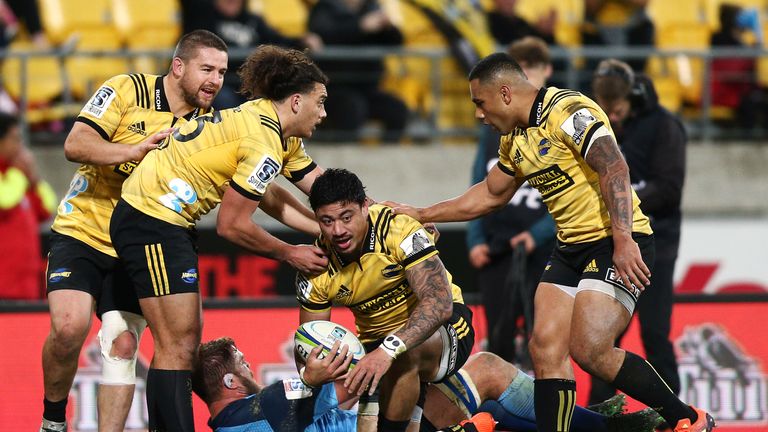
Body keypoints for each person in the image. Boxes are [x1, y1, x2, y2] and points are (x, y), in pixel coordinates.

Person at [385, 53, 716, 432]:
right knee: (544, 348)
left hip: (615, 239)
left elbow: (614, 166)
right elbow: (490, 195)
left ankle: (688, 419)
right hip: (570, 248)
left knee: (591, 348)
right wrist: (423, 213)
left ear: (505, 93)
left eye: (480, 102)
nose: (478, 114)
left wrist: (624, 238)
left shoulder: (568, 110)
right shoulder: (514, 140)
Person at [109, 44, 331, 431]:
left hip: (163, 220)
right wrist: (289, 253)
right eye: (321, 102)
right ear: (297, 101)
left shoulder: (270, 127)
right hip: (151, 218)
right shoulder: (262, 143)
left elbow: (319, 190)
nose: (324, 113)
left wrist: (366, 221)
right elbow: (232, 225)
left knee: (183, 342)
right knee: (177, 345)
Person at [39, 30, 230, 432]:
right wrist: (134, 151)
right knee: (68, 328)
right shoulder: (127, 88)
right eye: (207, 69)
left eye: (222, 72)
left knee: (122, 344)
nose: (215, 80)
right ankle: (52, 421)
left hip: (141, 242)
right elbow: (76, 144)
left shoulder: (208, 126)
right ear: (178, 67)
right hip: (84, 228)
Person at [297, 168, 475, 432]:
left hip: (445, 329)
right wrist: (309, 373)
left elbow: (439, 303)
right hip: (375, 348)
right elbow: (309, 341)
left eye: (347, 217)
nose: (338, 230)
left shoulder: (398, 228)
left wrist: (388, 350)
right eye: (327, 221)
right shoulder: (316, 267)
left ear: (365, 206)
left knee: (403, 353)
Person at [191, 336, 663, 432]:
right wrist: (317, 374)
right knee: (489, 372)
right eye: (243, 362)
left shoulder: (232, 423)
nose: (251, 365)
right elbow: (354, 388)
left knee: (493, 406)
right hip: (381, 426)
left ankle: (593, 423)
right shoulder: (271, 404)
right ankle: (603, 427)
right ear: (231, 379)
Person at [589, 59, 686, 405]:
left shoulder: (665, 127)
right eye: (606, 110)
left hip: (658, 242)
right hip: (616, 244)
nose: (611, 118)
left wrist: (620, 197)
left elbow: (670, 188)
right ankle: (600, 412)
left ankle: (674, 410)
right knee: (603, 337)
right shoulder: (600, 128)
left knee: (655, 331)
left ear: (634, 98)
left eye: (616, 110)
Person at [467, 36, 556, 367]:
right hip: (497, 247)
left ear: (546, 71)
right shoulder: (494, 125)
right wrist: (475, 239)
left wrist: (537, 235)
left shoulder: (556, 122)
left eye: (532, 69)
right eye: (522, 70)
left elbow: (571, 194)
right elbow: (480, 184)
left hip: (542, 253)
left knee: (544, 336)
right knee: (499, 335)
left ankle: (545, 408)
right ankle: (500, 408)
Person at [181, 0, 323, 109]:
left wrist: (302, 41)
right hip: (221, 82)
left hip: (252, 83)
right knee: (225, 100)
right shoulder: (201, 18)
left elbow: (277, 41)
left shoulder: (253, 21)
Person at [307, 0, 409, 142]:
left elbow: (396, 41)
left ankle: (387, 156)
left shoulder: (373, 8)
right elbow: (322, 36)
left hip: (367, 87)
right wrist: (360, 26)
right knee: (352, 108)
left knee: (397, 110)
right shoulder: (324, 8)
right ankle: (344, 157)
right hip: (334, 87)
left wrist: (389, 27)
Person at [0, 112, 56, 299]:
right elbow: (5, 202)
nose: (19, 146)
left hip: (26, 284)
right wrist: (20, 173)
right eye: (14, 139)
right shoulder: (15, 176)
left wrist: (34, 179)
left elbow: (47, 209)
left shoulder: (19, 178)